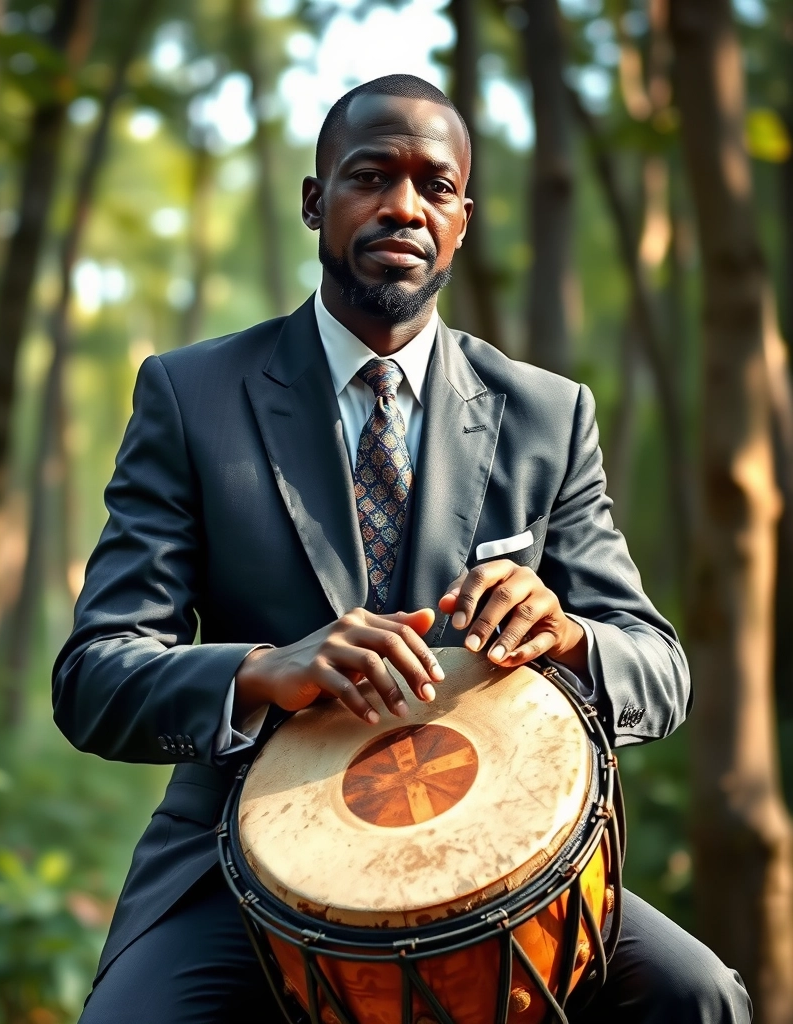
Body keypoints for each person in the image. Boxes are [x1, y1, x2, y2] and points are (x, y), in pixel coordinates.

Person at [53, 74, 751, 1024]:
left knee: (700, 995)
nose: (403, 206)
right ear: (315, 200)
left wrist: (573, 637)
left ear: (463, 217)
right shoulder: (191, 395)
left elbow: (660, 666)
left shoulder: (548, 413)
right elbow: (94, 676)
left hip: (504, 870)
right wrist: (265, 670)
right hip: (243, 867)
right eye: (370, 175)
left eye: (435, 184)